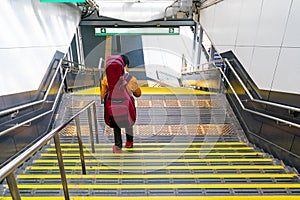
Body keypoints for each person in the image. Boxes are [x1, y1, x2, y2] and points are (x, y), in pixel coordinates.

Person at [101, 54, 142, 153]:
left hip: (113, 107)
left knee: (116, 125)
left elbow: (103, 96)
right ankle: (129, 142)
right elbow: (138, 94)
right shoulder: (131, 79)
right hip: (127, 107)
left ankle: (118, 146)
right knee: (129, 122)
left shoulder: (107, 79)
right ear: (125, 65)